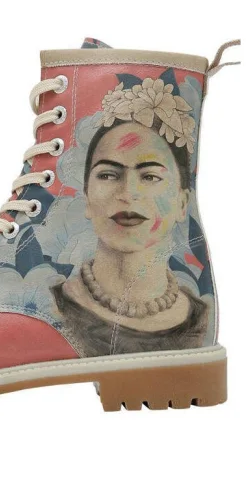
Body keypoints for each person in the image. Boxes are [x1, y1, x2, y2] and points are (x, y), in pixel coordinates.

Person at [52, 78, 209, 356]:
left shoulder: (201, 322)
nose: (127, 194)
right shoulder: (49, 309)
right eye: (108, 175)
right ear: (86, 196)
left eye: (150, 176)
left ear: (182, 203)